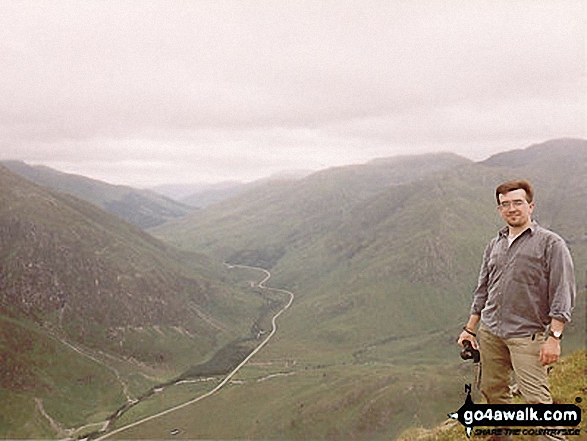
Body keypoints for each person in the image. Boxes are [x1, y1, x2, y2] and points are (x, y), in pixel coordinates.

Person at [458, 179, 576, 408]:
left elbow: (563, 292)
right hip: (490, 333)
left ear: (530, 206)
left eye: (517, 202)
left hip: (526, 335)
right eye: (505, 204)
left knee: (537, 400)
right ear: (499, 209)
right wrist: (469, 330)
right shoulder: (494, 245)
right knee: (493, 392)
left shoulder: (551, 244)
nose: (512, 208)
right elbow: (483, 290)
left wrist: (554, 338)